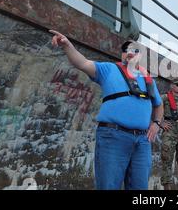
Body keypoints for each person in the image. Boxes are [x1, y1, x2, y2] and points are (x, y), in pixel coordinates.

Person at [49, 30, 163, 190]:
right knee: (108, 186)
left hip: (142, 141)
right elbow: (82, 63)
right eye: (125, 50)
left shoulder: (148, 79)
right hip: (113, 137)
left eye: (134, 50)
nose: (129, 53)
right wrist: (67, 45)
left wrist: (156, 123)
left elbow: (158, 104)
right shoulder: (108, 69)